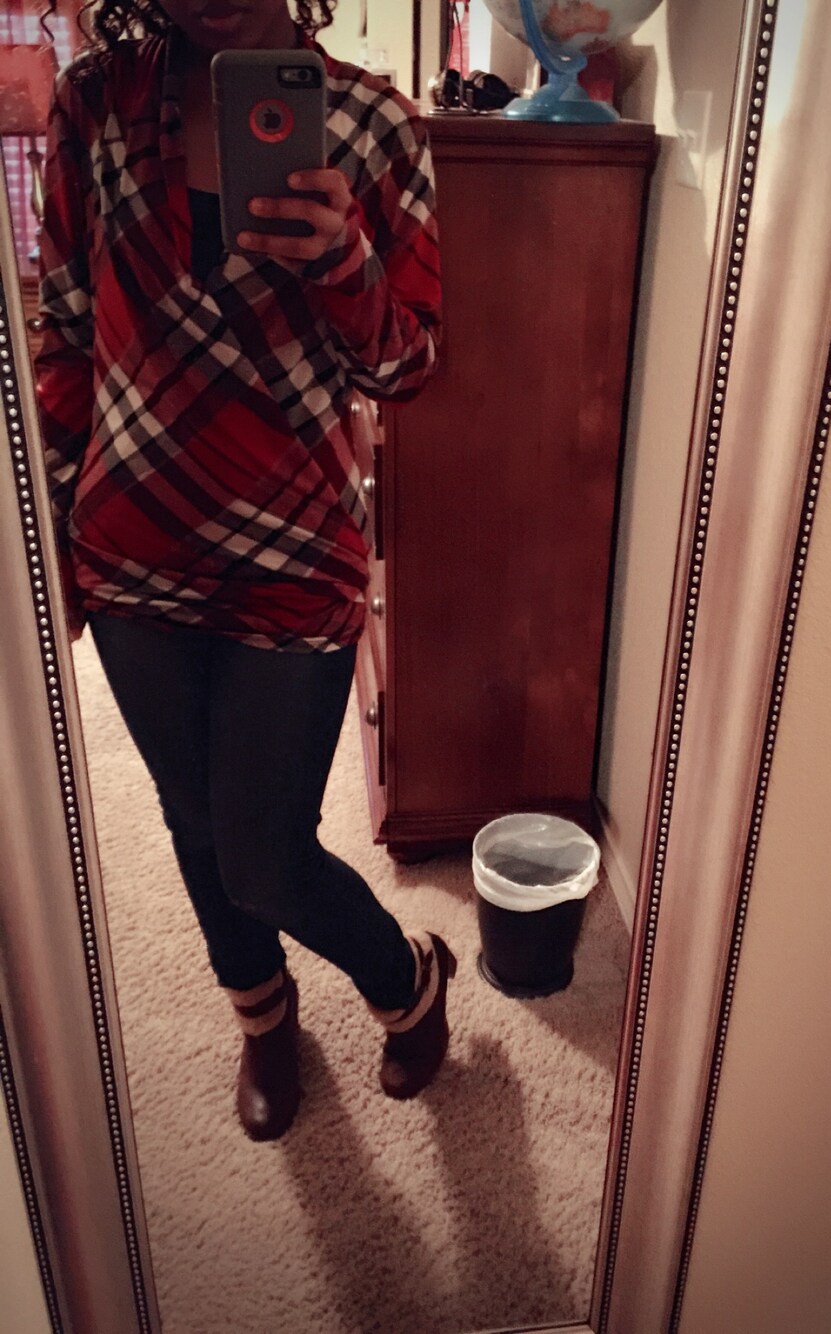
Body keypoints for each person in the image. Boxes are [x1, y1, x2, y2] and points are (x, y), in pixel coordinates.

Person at [36, 0, 452, 1141]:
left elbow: (410, 366)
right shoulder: (94, 104)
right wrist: (53, 536)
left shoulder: (372, 126)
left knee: (265, 853)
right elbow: (63, 333)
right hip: (132, 544)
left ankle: (407, 980)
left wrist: (345, 264)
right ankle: (262, 1016)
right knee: (193, 821)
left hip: (295, 550)